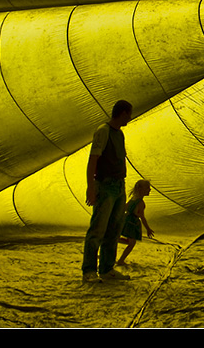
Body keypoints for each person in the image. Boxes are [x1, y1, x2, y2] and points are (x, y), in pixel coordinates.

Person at [82, 100, 133, 283]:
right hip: (105, 185)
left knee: (114, 229)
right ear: (123, 113)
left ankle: (106, 268)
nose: (130, 117)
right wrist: (91, 187)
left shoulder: (119, 134)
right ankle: (89, 270)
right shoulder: (103, 131)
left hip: (119, 186)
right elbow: (93, 160)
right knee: (98, 229)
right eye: (129, 114)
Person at [117, 179, 154, 266]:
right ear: (141, 189)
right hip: (132, 223)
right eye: (147, 188)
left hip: (126, 220)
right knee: (132, 243)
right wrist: (148, 229)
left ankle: (116, 240)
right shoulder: (140, 203)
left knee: (130, 242)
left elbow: (125, 208)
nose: (150, 190)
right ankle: (121, 260)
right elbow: (142, 217)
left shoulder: (133, 199)